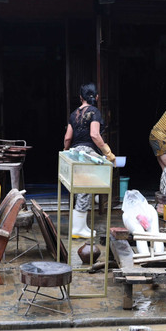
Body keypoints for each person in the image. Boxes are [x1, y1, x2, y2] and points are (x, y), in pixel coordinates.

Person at [63, 83, 116, 238]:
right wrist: (107, 151)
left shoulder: (74, 114)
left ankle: (80, 227)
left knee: (79, 190)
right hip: (87, 153)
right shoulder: (94, 112)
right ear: (97, 97)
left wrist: (66, 152)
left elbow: (67, 138)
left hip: (74, 153)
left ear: (81, 97)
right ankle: (78, 229)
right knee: (85, 190)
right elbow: (94, 134)